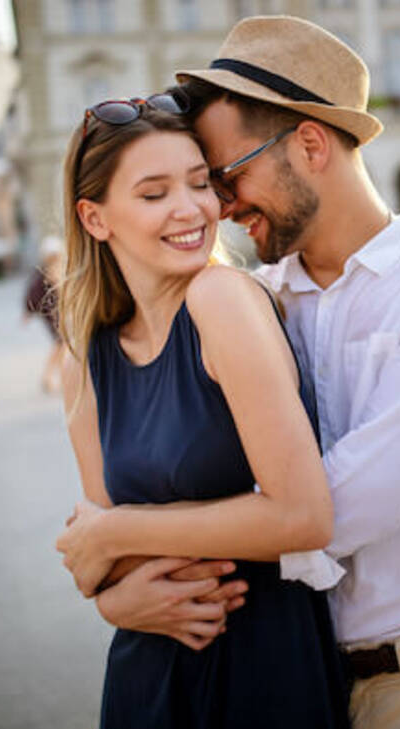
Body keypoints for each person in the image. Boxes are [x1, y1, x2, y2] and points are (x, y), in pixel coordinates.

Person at [69, 15, 400, 728]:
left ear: (309, 144)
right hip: (308, 667)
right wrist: (115, 595)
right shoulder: (266, 295)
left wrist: (118, 535)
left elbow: (340, 507)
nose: (219, 205)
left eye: (226, 175)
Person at [52, 92, 348, 727]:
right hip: (146, 676)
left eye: (198, 183)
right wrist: (114, 600)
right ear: (95, 218)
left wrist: (116, 532)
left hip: (262, 670)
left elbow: (303, 515)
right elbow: (100, 572)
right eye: (154, 193)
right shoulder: (88, 357)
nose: (192, 209)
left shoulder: (222, 299)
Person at [23, 236, 67, 393]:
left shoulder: (57, 268)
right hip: (50, 314)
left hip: (58, 313)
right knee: (60, 344)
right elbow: (32, 295)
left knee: (61, 346)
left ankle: (60, 376)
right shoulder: (42, 273)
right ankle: (48, 377)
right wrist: (27, 312)